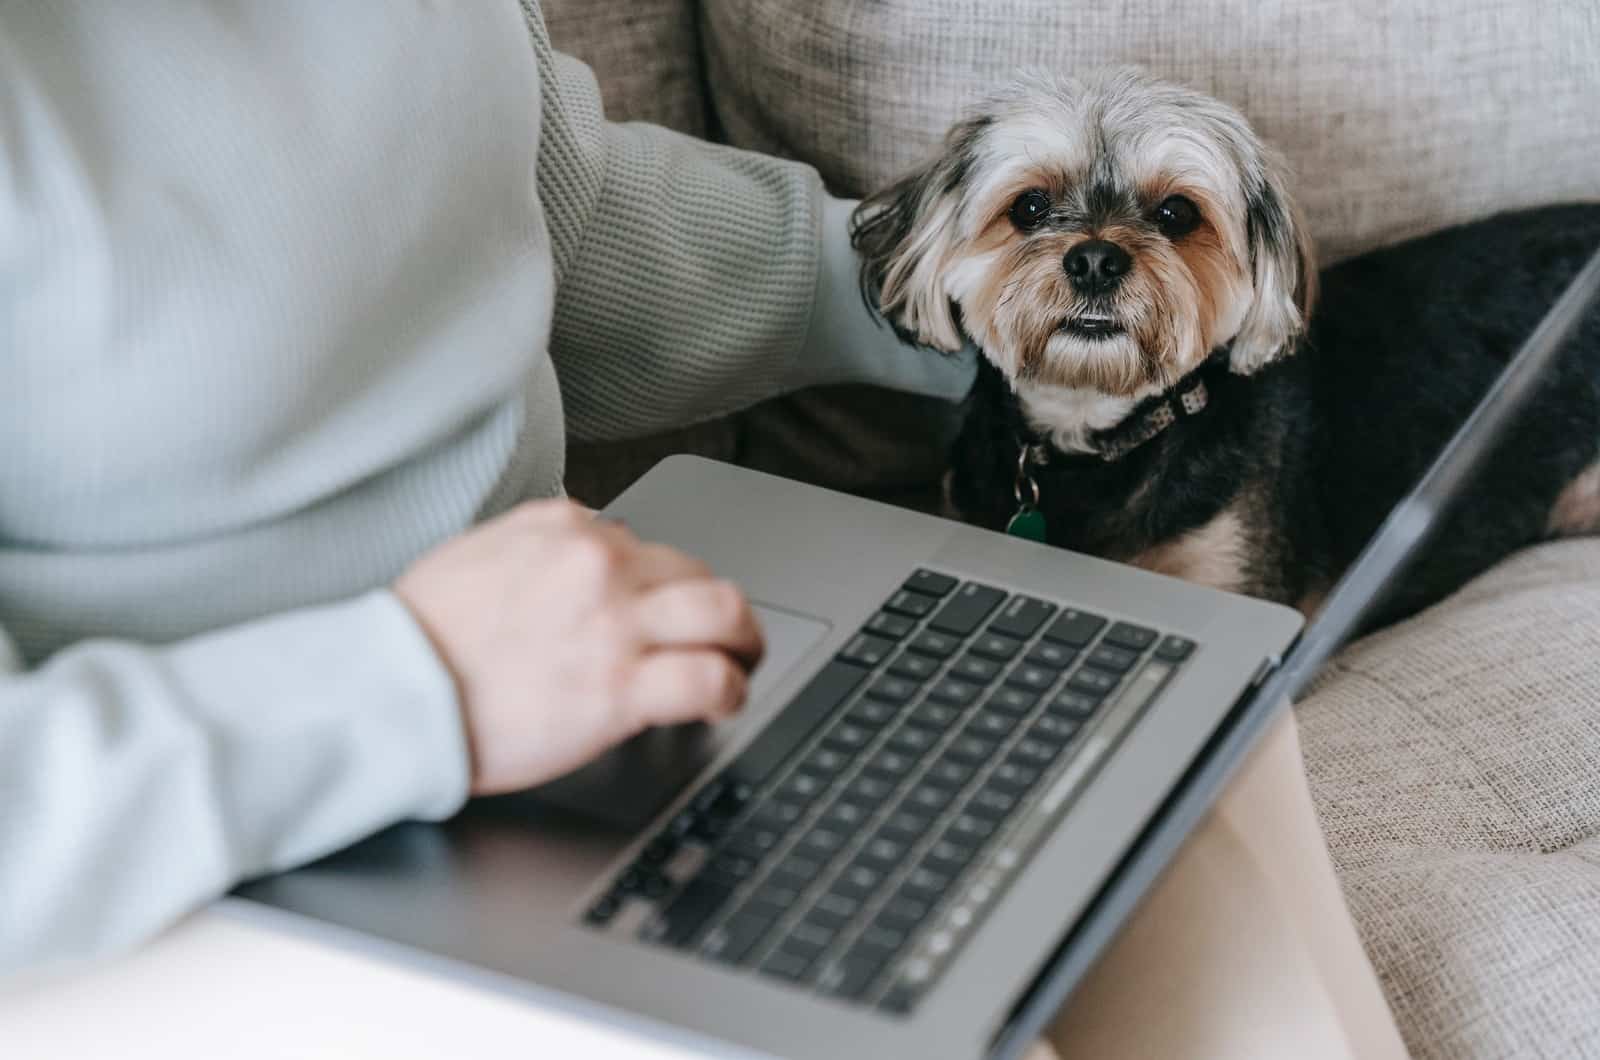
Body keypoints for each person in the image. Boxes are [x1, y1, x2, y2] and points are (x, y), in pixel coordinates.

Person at [0, 2, 1408, 1055]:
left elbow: (561, 219)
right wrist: (409, 686)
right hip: (177, 876)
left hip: (570, 717)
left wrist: (994, 301)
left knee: (1188, 744)